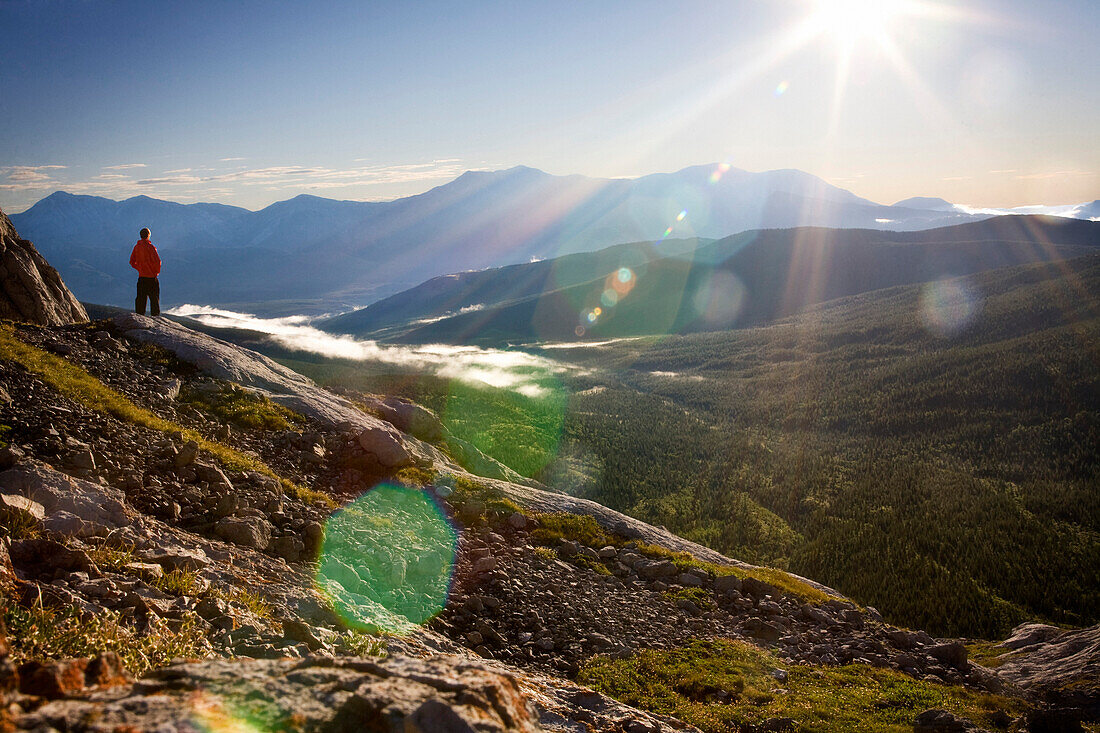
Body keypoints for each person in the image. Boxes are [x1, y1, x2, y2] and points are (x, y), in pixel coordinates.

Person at [129, 227, 161, 316]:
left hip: (142, 277)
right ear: (148, 236)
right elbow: (158, 261)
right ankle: (155, 319)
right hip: (152, 278)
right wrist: (155, 272)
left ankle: (139, 317)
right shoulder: (151, 247)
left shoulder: (137, 247)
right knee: (154, 300)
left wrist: (139, 268)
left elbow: (131, 261)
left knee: (140, 300)